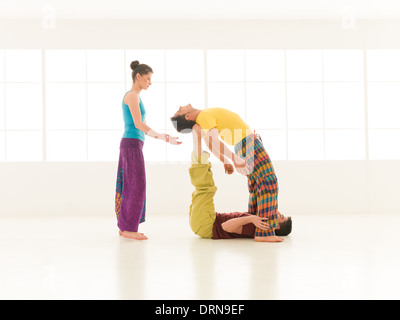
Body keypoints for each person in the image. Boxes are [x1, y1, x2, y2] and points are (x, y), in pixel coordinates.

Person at [171, 105, 287, 242]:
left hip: (244, 144)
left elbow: (210, 143)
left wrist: (226, 160)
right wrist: (232, 158)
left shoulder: (204, 117)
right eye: (180, 110)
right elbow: (213, 141)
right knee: (268, 181)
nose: (180, 106)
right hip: (246, 143)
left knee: (259, 184)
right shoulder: (203, 117)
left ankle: (264, 230)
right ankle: (265, 233)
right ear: (188, 116)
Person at [116, 61, 181, 240]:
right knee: (136, 184)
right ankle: (129, 229)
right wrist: (162, 136)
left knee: (132, 184)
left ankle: (125, 227)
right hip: (131, 143)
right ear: (139, 76)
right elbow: (138, 124)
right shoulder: (131, 96)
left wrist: (163, 137)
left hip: (134, 143)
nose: (150, 83)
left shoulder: (136, 96)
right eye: (148, 78)